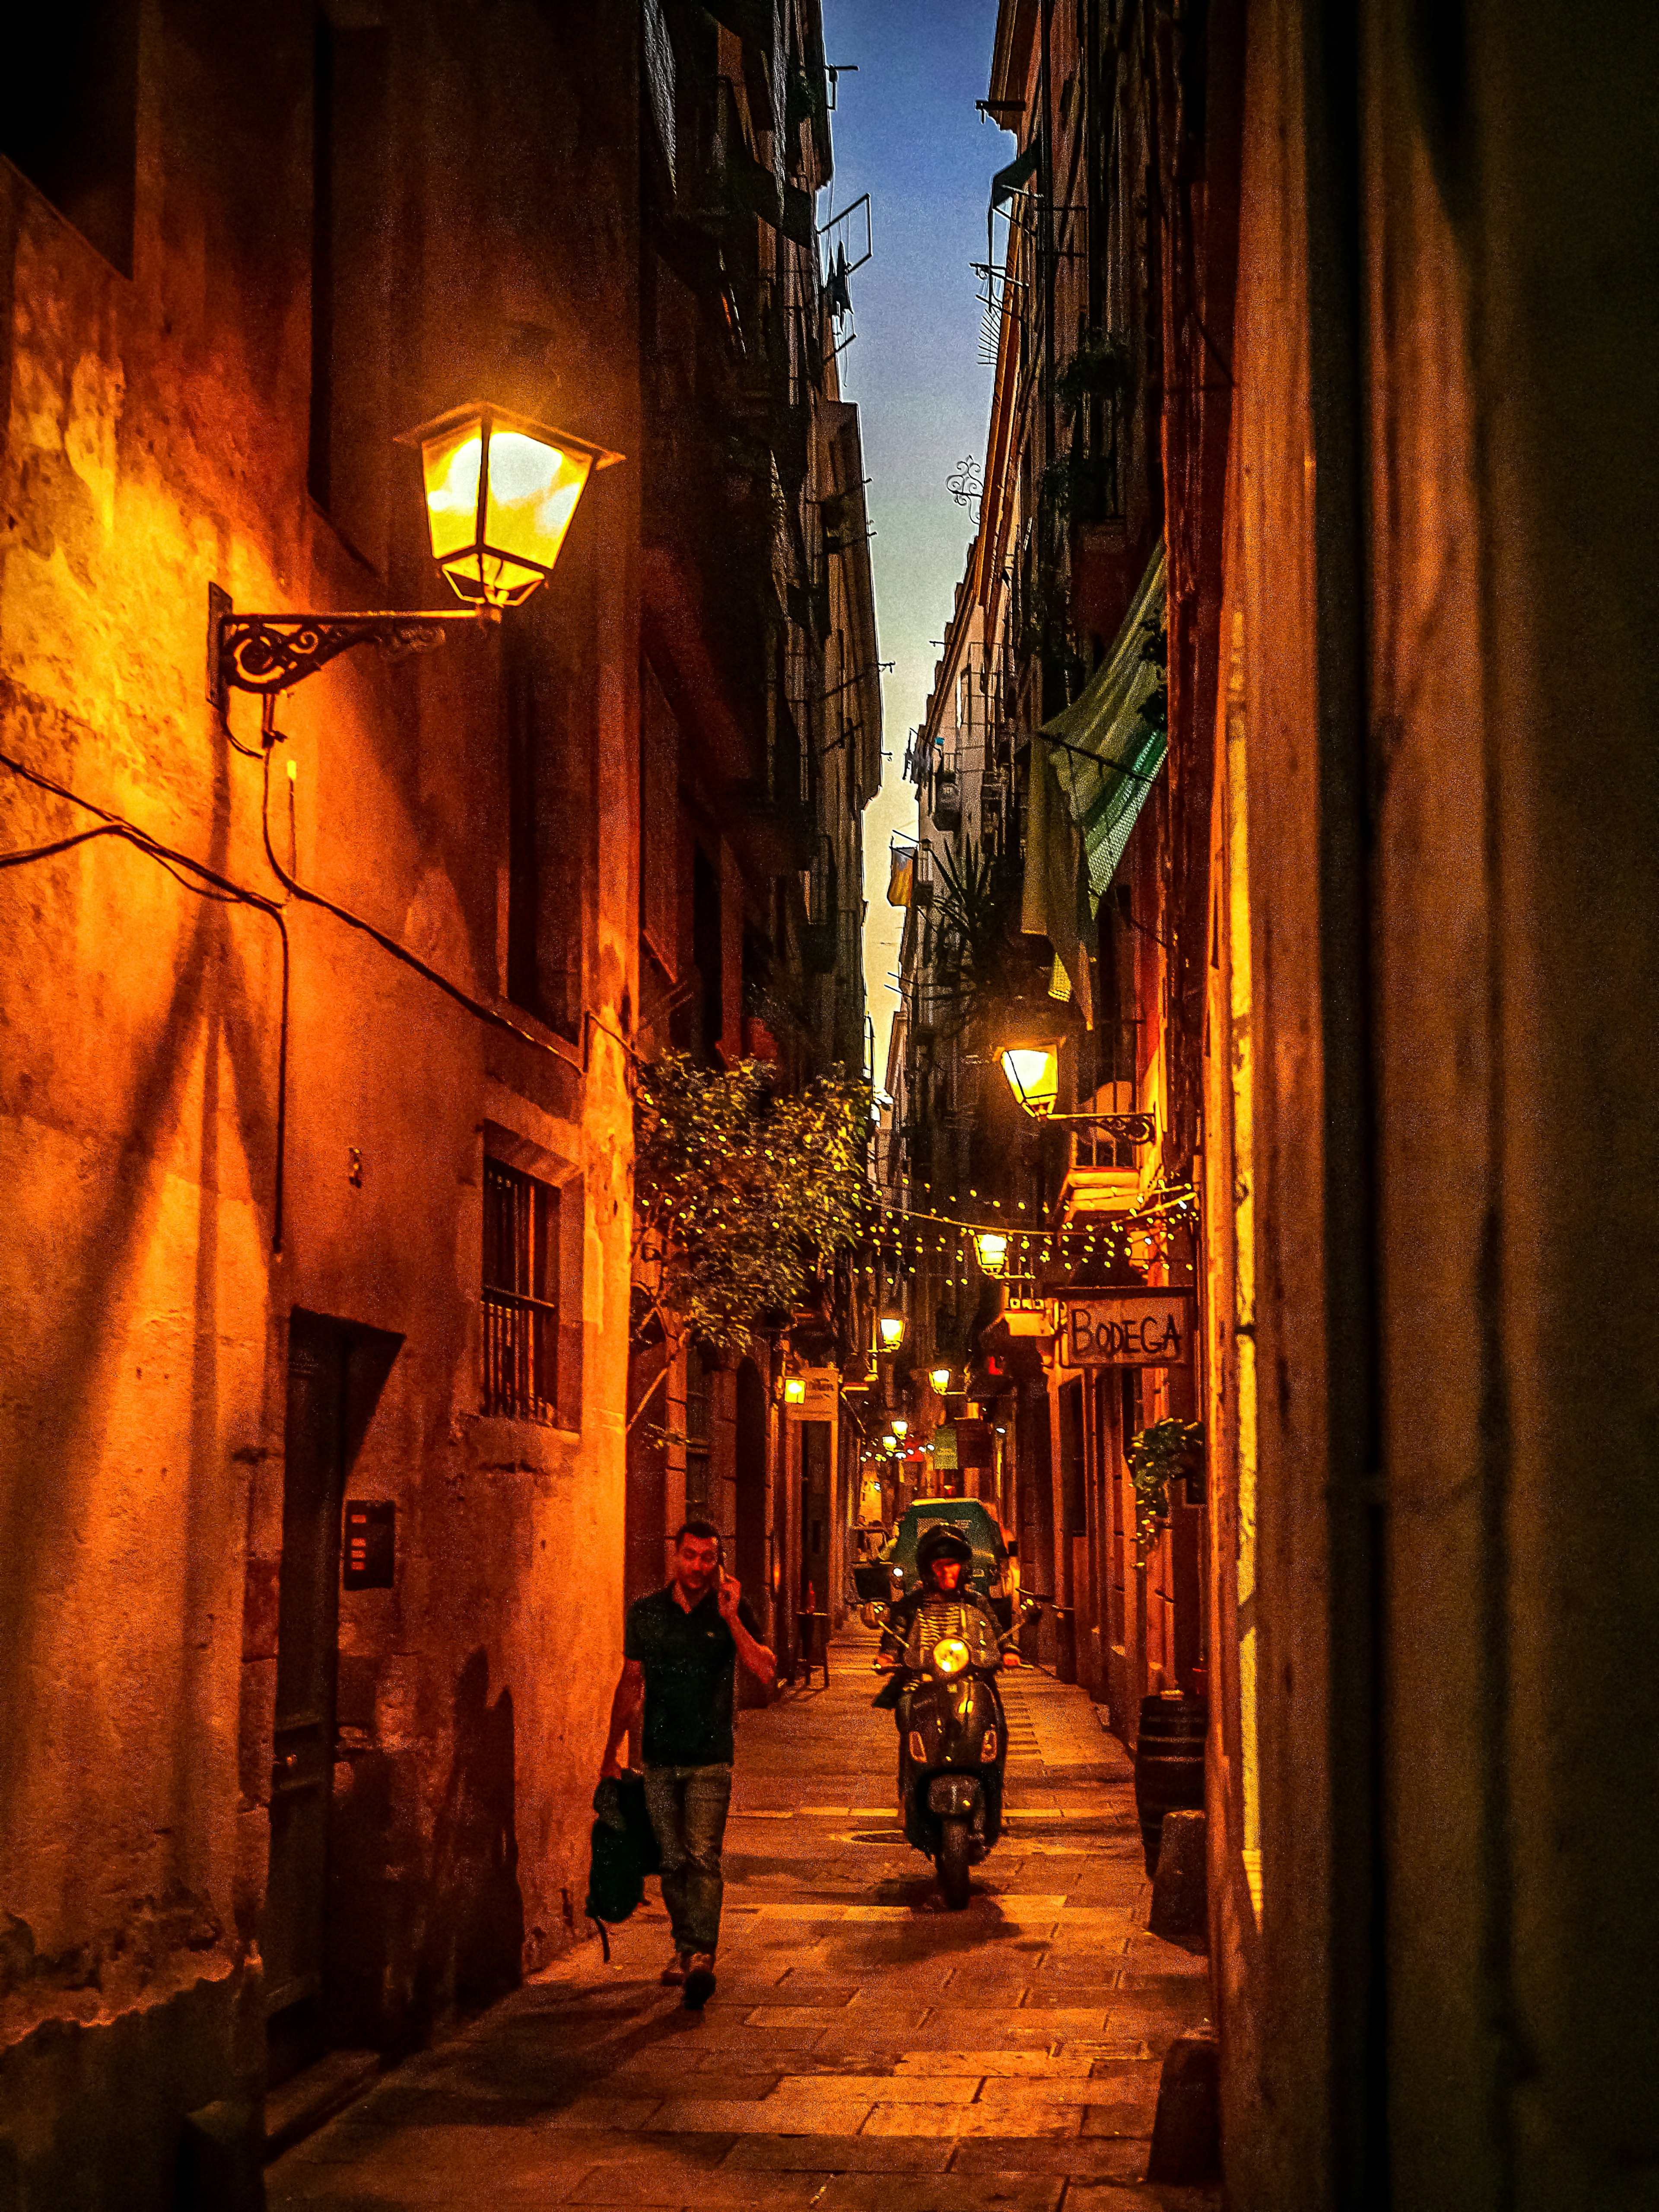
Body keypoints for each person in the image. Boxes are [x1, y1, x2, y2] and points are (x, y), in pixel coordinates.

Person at [600, 1520, 775, 2009]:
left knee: (702, 1856)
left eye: (708, 1557)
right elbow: (631, 1682)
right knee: (672, 1861)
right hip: (658, 1755)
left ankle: (701, 1955)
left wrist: (734, 1618)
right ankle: (686, 1947)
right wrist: (610, 1751)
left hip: (709, 1756)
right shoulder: (648, 1613)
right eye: (691, 1555)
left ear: (719, 1561)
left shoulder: (730, 1610)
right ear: (675, 1556)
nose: (699, 1566)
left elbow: (765, 1668)